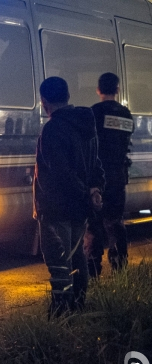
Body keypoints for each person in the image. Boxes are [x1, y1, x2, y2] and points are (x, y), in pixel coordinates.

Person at [33, 76, 105, 316]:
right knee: (78, 261)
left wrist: (87, 191)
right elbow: (95, 164)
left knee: (59, 264)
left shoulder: (53, 129)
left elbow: (61, 173)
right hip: (79, 209)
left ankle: (61, 314)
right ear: (67, 96)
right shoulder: (86, 123)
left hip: (56, 209)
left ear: (44, 101)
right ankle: (79, 308)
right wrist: (94, 190)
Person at [83, 73, 133, 277]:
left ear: (98, 89)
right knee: (115, 222)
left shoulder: (93, 113)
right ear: (118, 90)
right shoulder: (126, 115)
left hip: (98, 179)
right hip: (118, 177)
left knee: (94, 225)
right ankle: (119, 266)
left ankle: (93, 270)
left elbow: (88, 146)